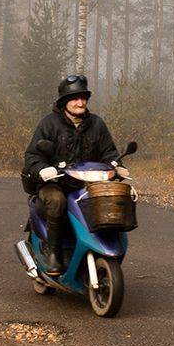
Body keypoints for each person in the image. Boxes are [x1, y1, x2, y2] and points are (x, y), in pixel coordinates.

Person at [21, 75, 123, 276]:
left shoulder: (96, 124)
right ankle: (54, 253)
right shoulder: (49, 124)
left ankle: (102, 247)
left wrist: (117, 165)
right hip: (56, 183)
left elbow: (109, 152)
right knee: (57, 201)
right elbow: (32, 155)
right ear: (64, 101)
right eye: (75, 98)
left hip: (87, 183)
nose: (80, 102)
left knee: (113, 200)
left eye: (83, 97)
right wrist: (42, 169)